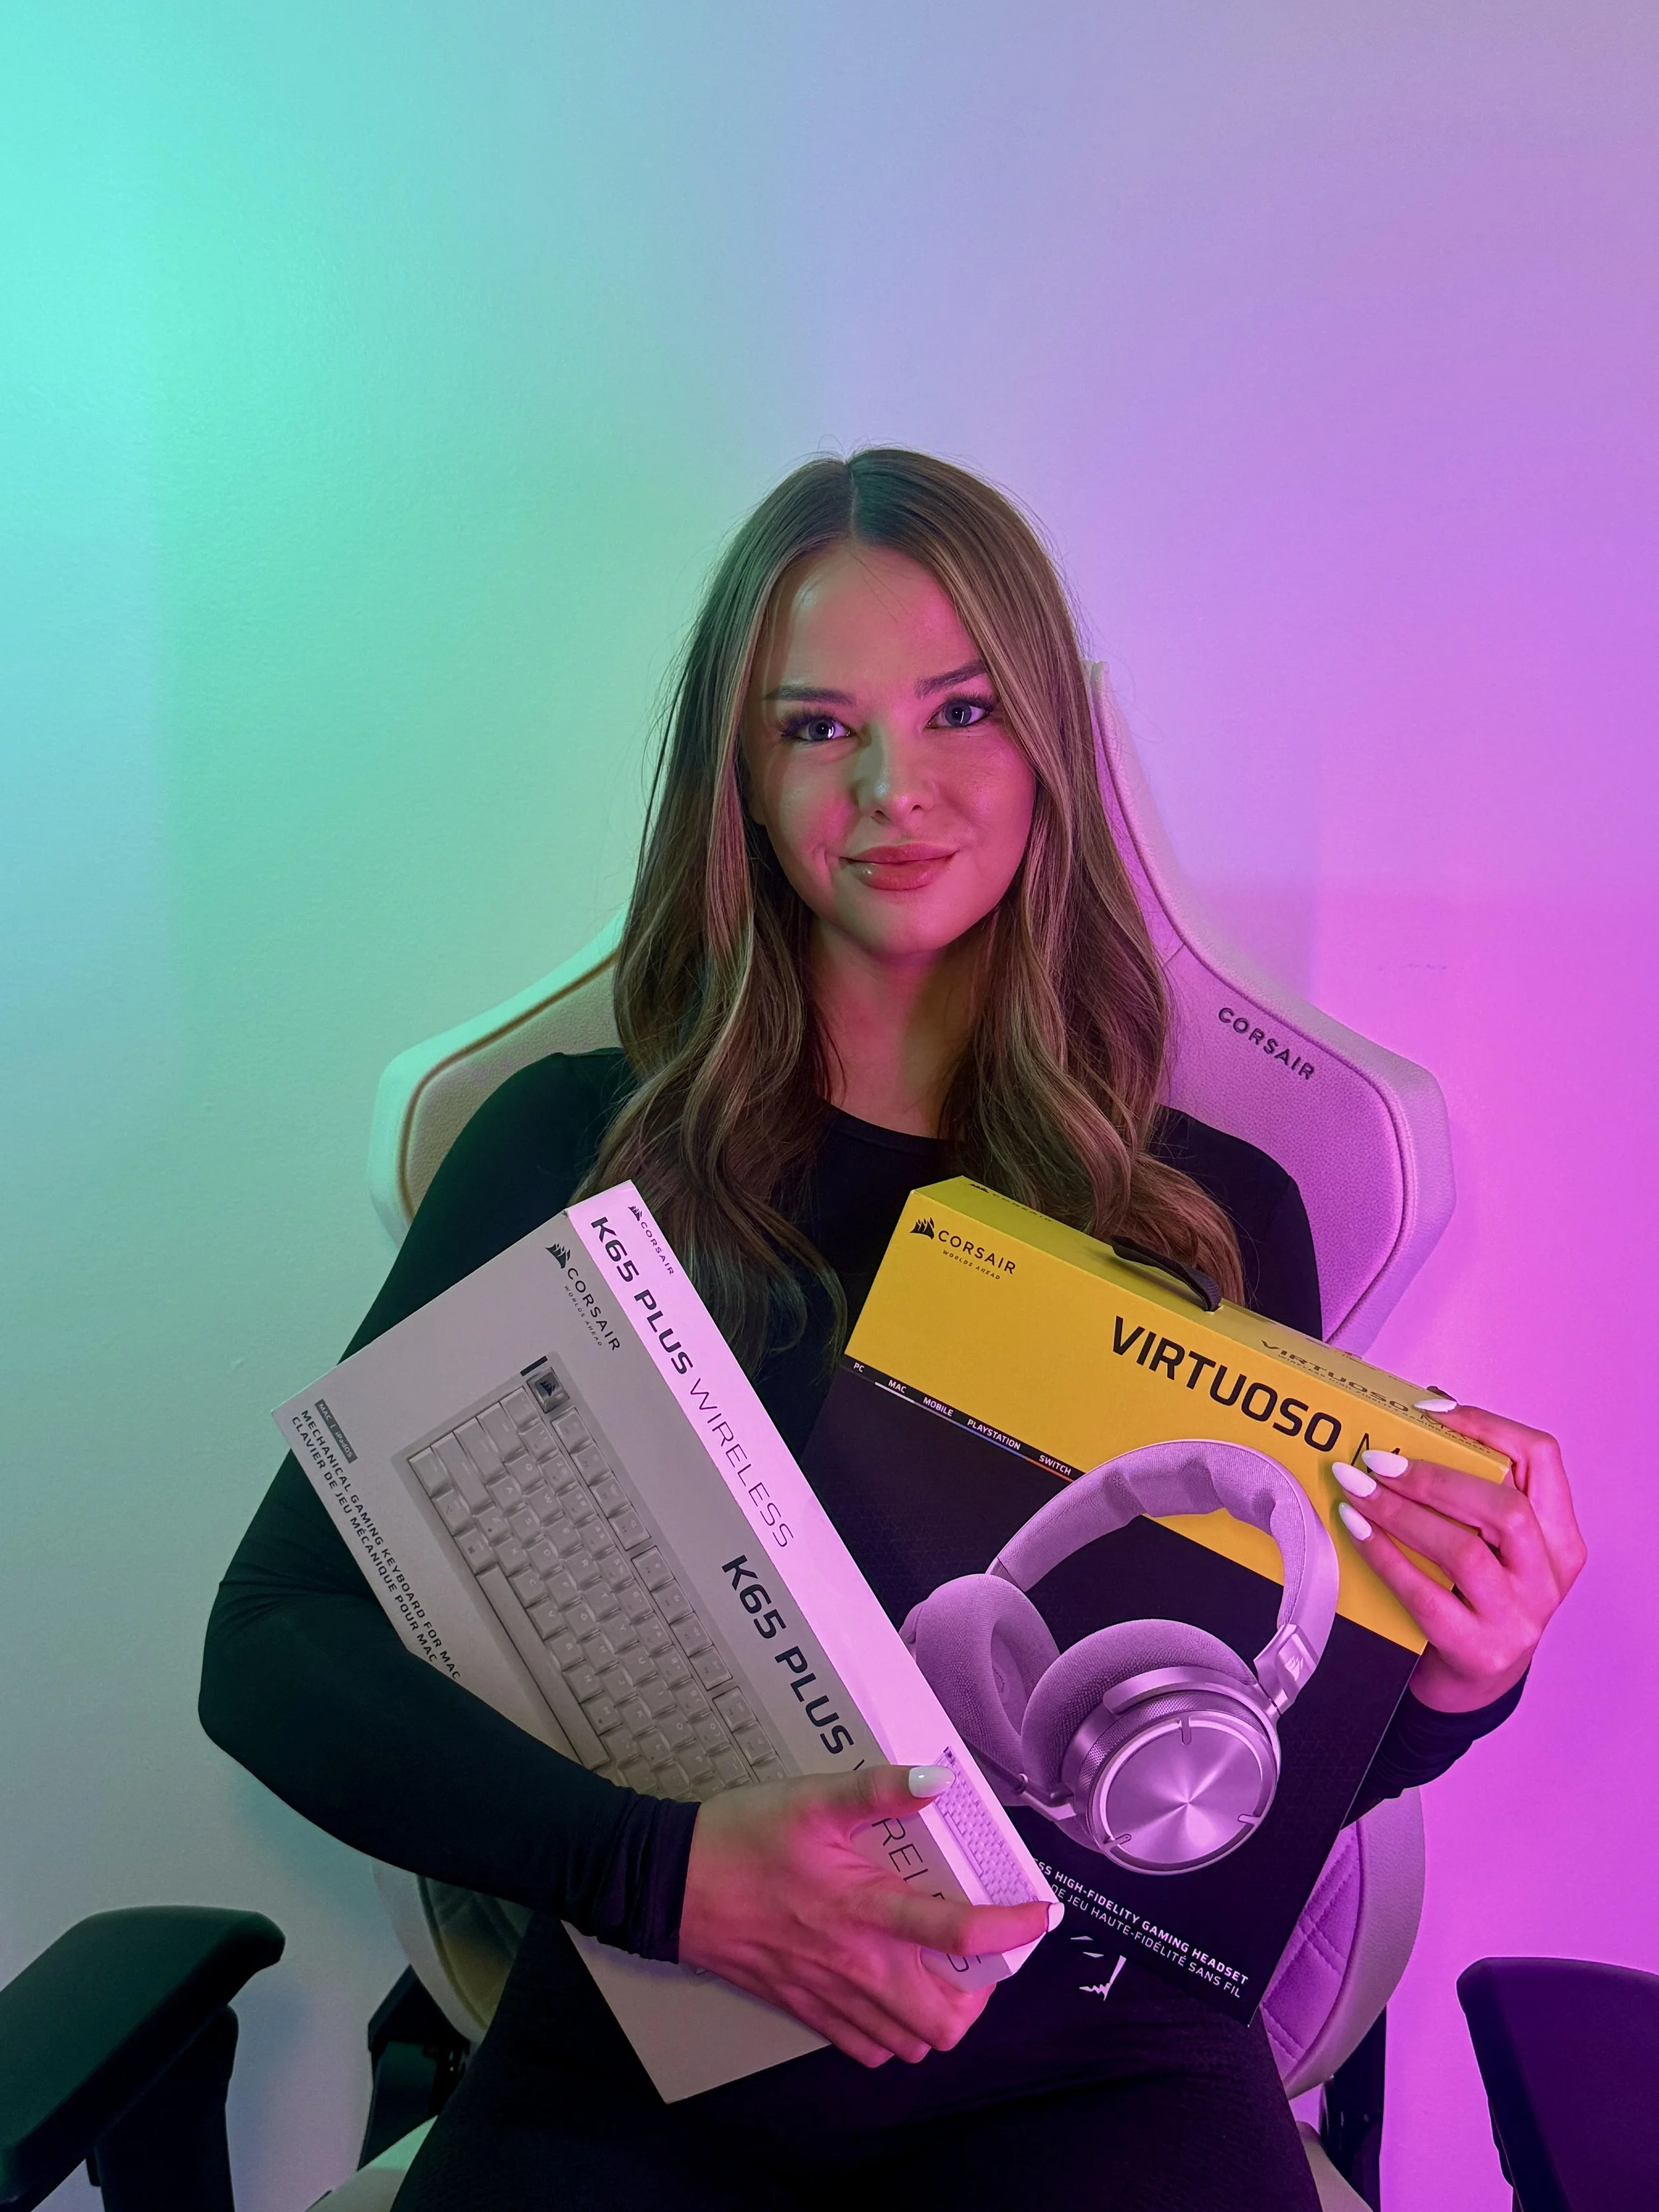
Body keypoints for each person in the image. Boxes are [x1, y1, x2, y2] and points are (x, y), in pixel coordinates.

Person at [200, 450, 1585, 2210]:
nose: (890, 788)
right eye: (813, 728)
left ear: (1044, 752)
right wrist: (669, 1872)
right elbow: (267, 1644)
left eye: (958, 710)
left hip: (1090, 2072)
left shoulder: (1206, 1208)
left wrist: (1460, 1679)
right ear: (741, 778)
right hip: (649, 2041)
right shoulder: (567, 1150)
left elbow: (1225, 1785)